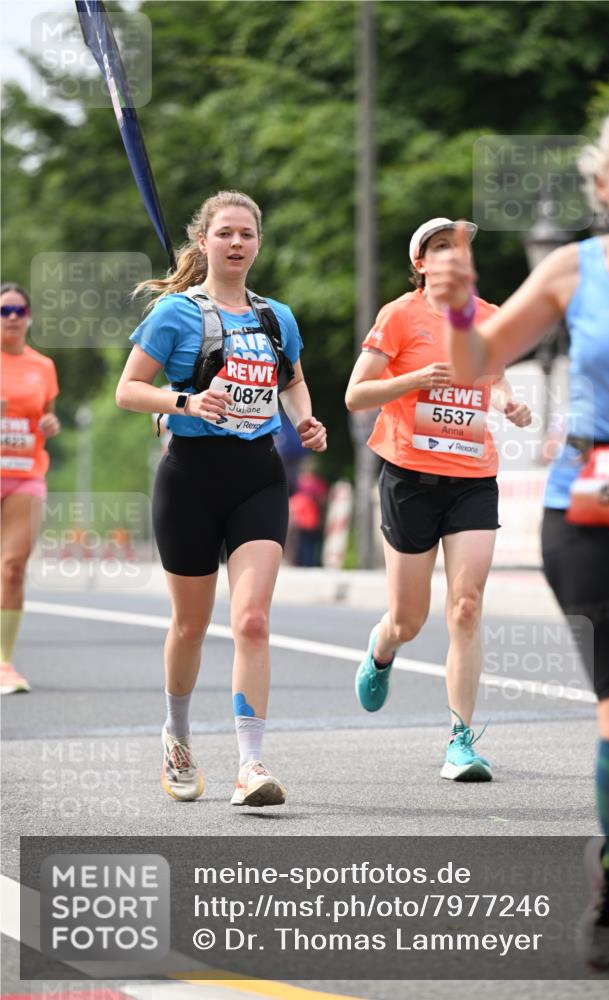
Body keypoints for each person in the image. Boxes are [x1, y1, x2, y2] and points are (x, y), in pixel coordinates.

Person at [446, 95, 609, 990]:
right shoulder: (575, 271)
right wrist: (460, 307)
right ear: (603, 183)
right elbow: (470, 364)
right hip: (593, 515)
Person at [116, 190, 326, 807]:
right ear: (204, 241)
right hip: (190, 478)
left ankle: (250, 764)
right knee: (190, 624)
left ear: (258, 244)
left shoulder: (275, 316)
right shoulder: (175, 314)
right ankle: (177, 736)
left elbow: (293, 380)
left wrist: (305, 420)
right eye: (225, 233)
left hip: (258, 475)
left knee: (253, 619)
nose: (237, 243)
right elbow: (129, 391)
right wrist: (186, 402)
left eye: (247, 235)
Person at [344, 217, 531, 782]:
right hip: (410, 478)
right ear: (422, 263)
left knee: (466, 606)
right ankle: (383, 647)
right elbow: (356, 395)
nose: (455, 257)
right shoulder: (400, 316)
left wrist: (506, 402)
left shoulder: (490, 318)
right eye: (442, 247)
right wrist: (417, 377)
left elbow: (494, 377)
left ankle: (460, 741)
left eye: (463, 249)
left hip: (473, 477)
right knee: (410, 617)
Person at [1, 283, 60, 695]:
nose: (13, 317)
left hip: (25, 472)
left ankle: (3, 663)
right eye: (4, 310)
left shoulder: (43, 366)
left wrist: (50, 426)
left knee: (12, 567)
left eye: (19, 310)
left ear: (30, 316)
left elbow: (47, 417)